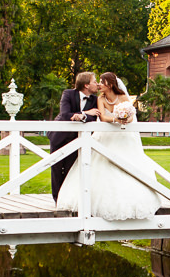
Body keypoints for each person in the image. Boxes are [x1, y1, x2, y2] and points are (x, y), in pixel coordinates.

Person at [55, 72, 162, 220]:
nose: (98, 84)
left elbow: (131, 115)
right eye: (96, 81)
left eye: (101, 82)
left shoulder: (123, 97)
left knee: (129, 164)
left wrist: (126, 118)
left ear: (110, 84)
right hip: (103, 135)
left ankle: (132, 199)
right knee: (98, 165)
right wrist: (116, 119)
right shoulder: (99, 98)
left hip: (123, 137)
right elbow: (102, 117)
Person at [49, 72, 101, 202]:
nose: (97, 84)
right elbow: (65, 114)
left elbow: (94, 117)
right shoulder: (68, 94)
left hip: (77, 140)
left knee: (70, 169)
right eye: (95, 81)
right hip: (59, 136)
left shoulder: (95, 100)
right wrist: (84, 113)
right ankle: (56, 200)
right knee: (56, 168)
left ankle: (65, 200)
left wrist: (82, 116)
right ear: (86, 85)